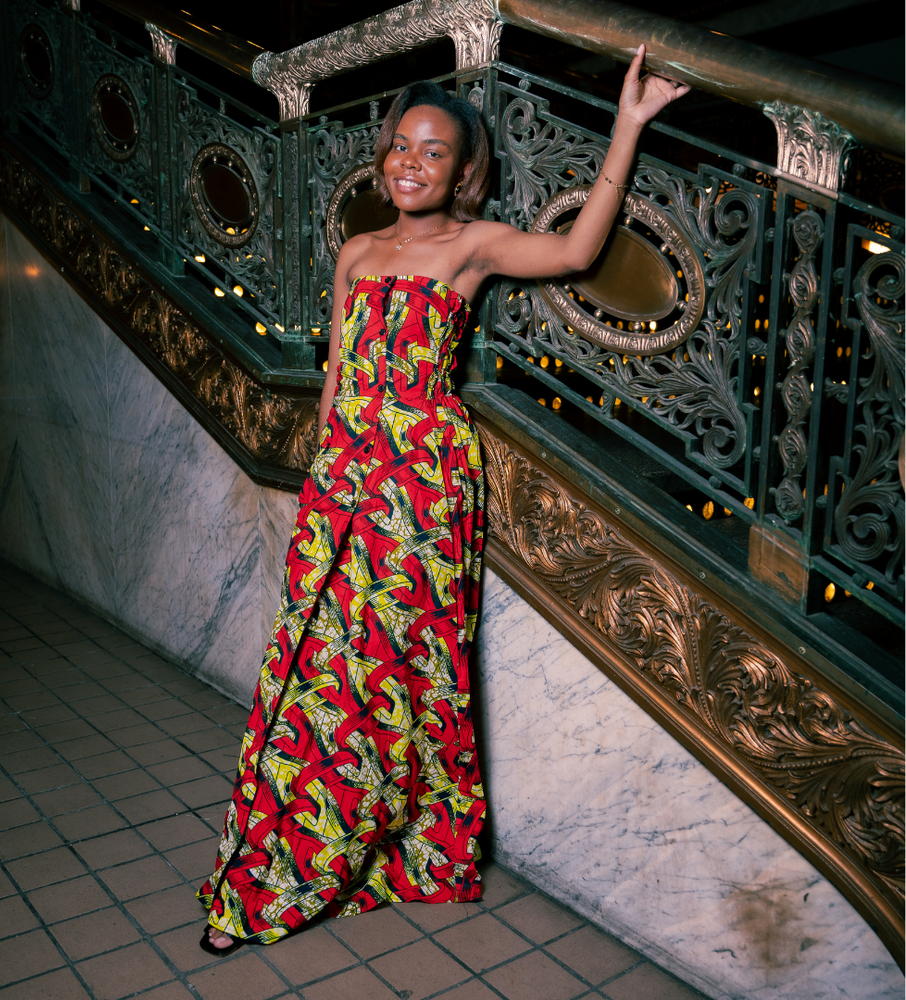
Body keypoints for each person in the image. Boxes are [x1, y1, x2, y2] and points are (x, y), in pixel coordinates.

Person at [198, 44, 689, 955]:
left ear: (463, 172)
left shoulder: (469, 246)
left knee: (403, 669)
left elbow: (579, 249)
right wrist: (320, 483)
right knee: (314, 668)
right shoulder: (356, 249)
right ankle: (283, 862)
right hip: (346, 476)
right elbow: (341, 376)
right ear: (383, 155)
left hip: (425, 484)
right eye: (400, 147)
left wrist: (628, 124)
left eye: (433, 152)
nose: (411, 163)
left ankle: (407, 848)